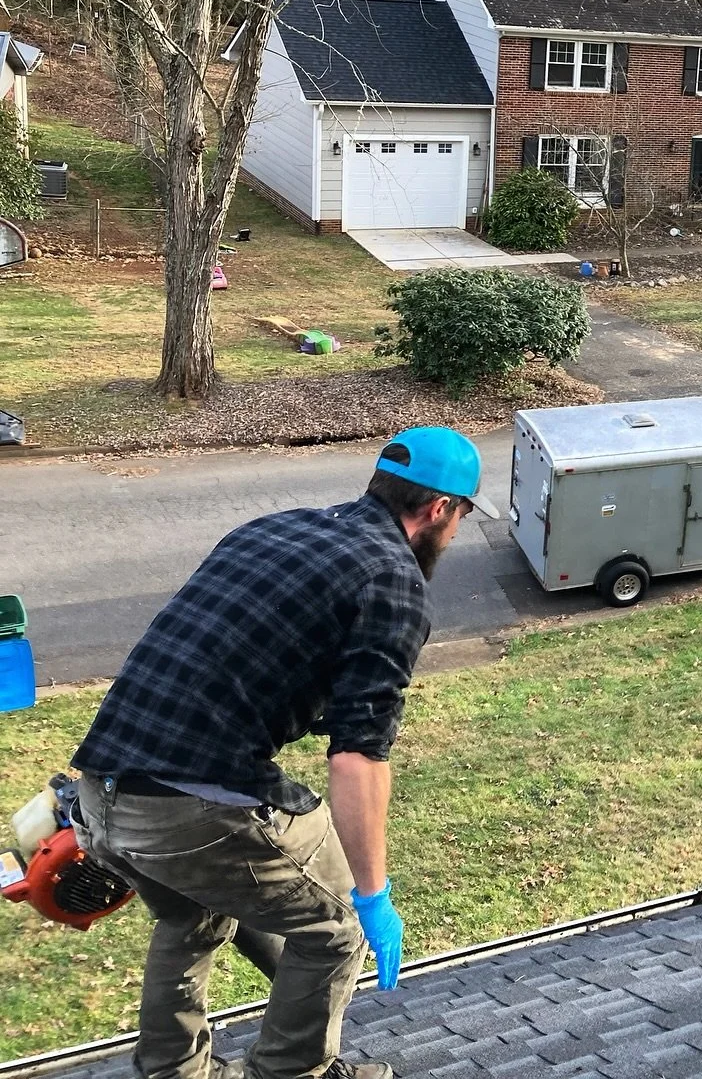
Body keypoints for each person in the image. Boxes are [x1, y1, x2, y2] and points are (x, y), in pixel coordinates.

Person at [71, 427, 496, 1079]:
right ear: (439, 509)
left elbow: (240, 653)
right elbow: (359, 759)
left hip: (101, 791)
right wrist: (373, 896)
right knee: (334, 929)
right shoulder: (392, 579)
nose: (460, 531)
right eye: (464, 515)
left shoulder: (274, 528)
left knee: (194, 916)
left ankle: (171, 1070)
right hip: (192, 806)